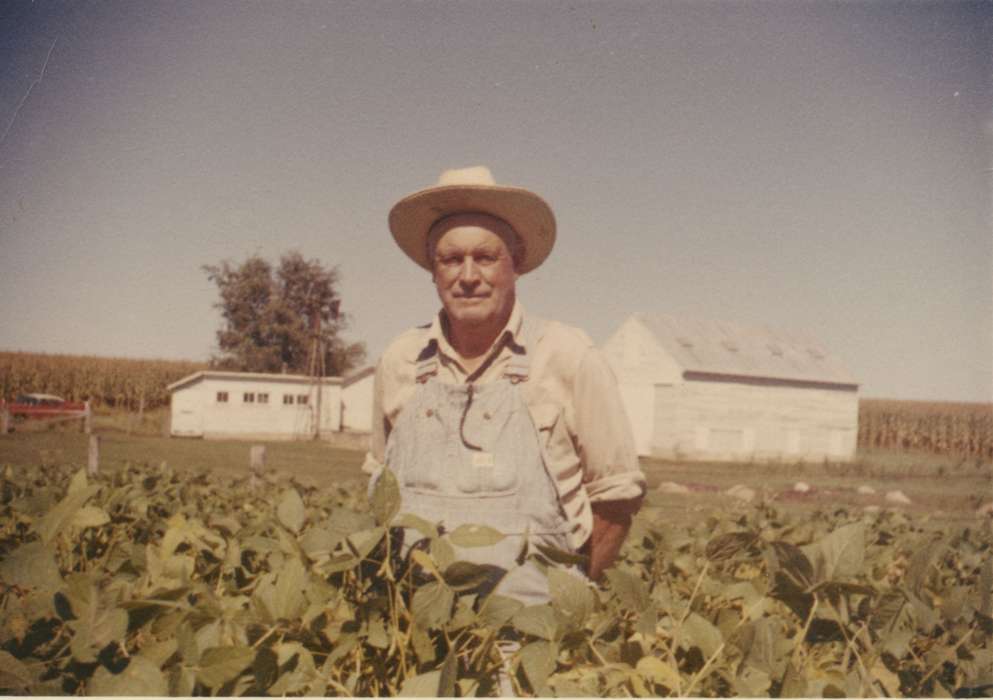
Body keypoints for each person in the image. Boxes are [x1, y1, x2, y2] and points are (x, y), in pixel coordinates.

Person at [364, 166, 645, 604]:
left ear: (516, 265)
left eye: (486, 257)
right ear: (433, 271)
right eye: (452, 259)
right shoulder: (401, 359)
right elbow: (380, 490)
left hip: (528, 635)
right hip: (414, 627)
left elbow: (617, 498)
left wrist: (566, 605)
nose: (469, 275)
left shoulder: (568, 355)